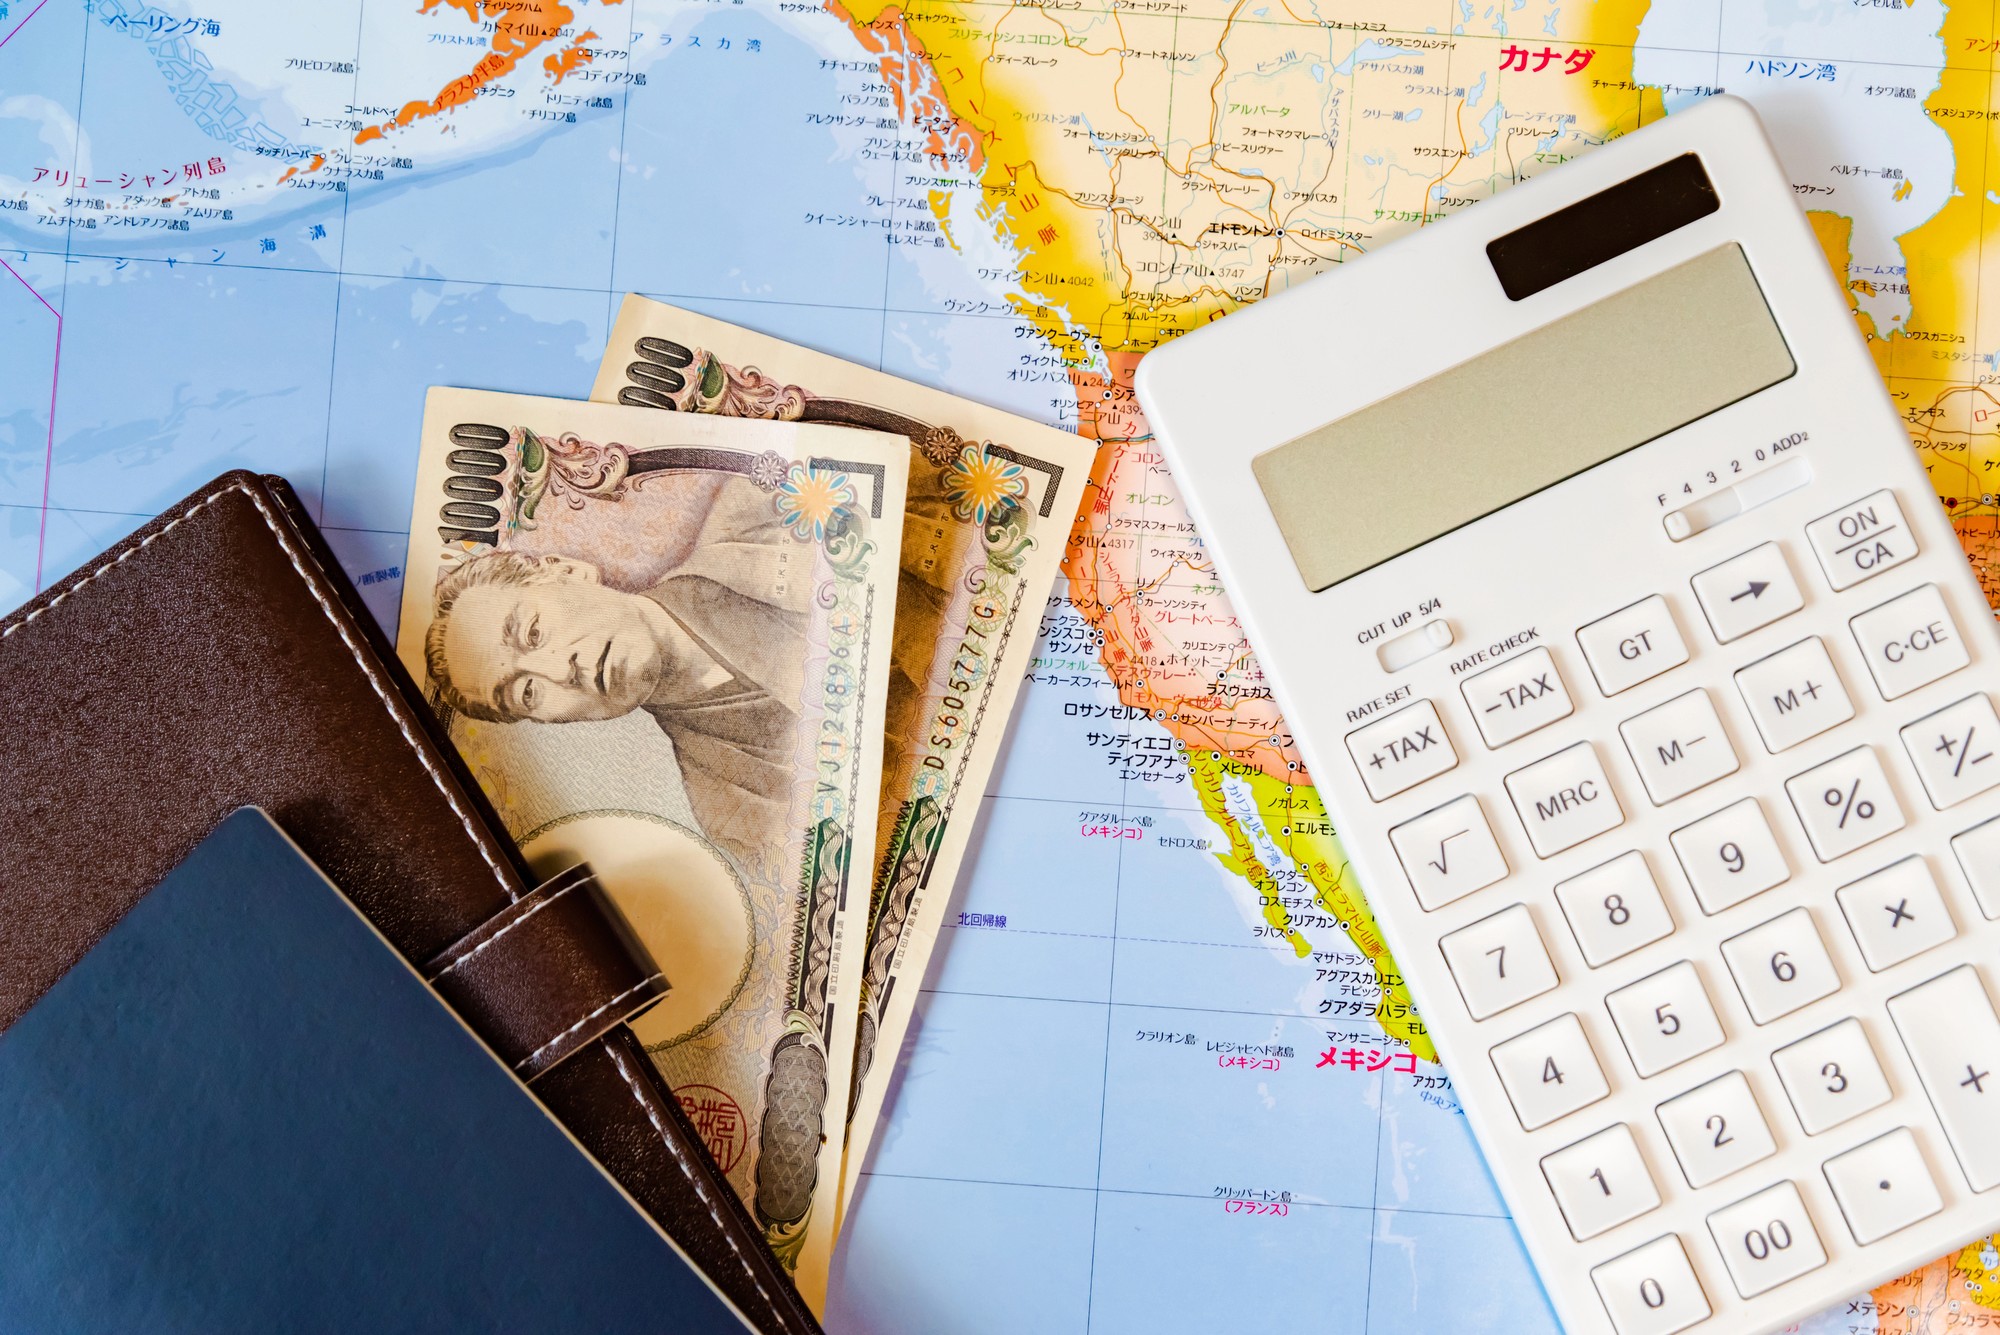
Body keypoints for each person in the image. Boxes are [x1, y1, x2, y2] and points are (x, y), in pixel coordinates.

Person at [423, 524, 810, 873]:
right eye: (526, 691)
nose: (561, 671)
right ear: (546, 722)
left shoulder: (762, 522)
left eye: (534, 633)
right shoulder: (734, 813)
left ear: (569, 572)